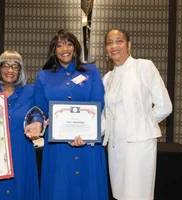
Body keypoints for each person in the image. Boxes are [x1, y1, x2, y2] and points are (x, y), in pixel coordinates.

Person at [26, 29, 109, 200]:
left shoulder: (90, 71)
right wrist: (36, 122)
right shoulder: (43, 76)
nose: (65, 48)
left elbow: (98, 103)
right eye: (59, 45)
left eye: (69, 44)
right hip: (58, 145)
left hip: (87, 142)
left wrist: (84, 133)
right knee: (59, 189)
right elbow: (39, 109)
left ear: (75, 47)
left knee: (89, 189)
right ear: (54, 50)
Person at [102, 28, 173, 200]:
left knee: (137, 194)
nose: (114, 46)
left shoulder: (144, 66)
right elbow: (106, 116)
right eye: (109, 42)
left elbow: (165, 106)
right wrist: (86, 133)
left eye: (119, 41)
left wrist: (142, 124)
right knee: (120, 193)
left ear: (129, 45)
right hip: (115, 145)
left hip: (140, 144)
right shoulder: (107, 78)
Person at [0, 50, 40, 200]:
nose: (10, 70)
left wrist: (37, 123)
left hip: (21, 151)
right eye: (5, 65)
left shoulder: (30, 91)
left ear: (20, 70)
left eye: (15, 66)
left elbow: (38, 112)